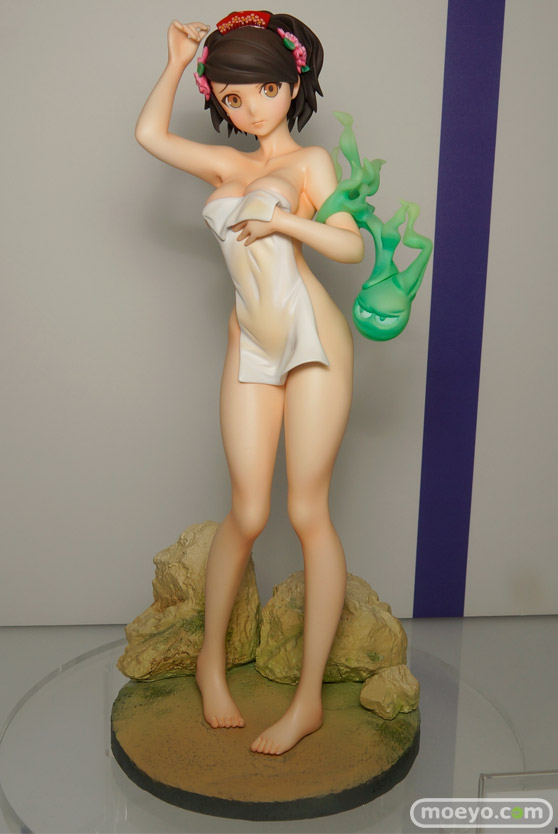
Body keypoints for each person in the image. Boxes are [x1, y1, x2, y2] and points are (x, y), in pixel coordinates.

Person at [135, 11, 364, 756]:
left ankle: (307, 702)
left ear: (292, 83)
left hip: (313, 341)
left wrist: (286, 225)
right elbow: (149, 136)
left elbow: (351, 246)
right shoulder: (224, 166)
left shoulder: (311, 164)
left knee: (306, 511)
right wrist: (177, 63)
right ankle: (210, 661)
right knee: (247, 510)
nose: (252, 108)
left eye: (265, 88)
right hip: (250, 345)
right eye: (233, 97)